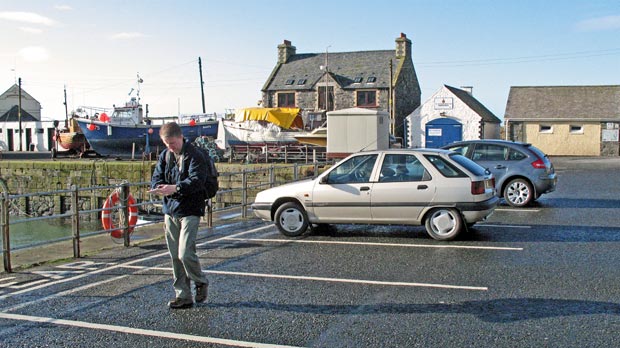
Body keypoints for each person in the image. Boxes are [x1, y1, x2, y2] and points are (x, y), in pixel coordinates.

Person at [150, 122, 209, 309]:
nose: (170, 147)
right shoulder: (165, 155)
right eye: (167, 143)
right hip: (170, 209)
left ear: (181, 137)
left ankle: (200, 281)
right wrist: (159, 187)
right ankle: (183, 295)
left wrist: (174, 188)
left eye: (172, 143)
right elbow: (157, 176)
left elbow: (197, 181)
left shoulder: (195, 156)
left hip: (190, 209)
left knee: (185, 253)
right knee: (175, 255)